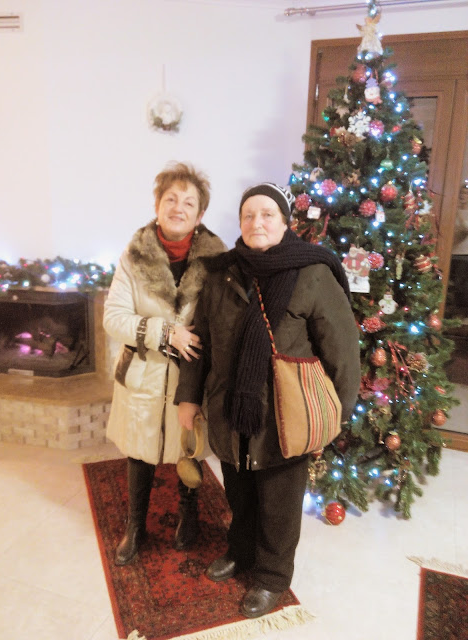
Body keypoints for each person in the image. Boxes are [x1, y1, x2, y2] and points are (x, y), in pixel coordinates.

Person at [176, 183, 360, 618]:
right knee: (239, 491)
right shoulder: (221, 273)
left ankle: (273, 577)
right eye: (248, 215)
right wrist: (189, 398)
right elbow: (201, 341)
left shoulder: (312, 272)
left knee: (279, 504)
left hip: (284, 416)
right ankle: (240, 551)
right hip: (230, 408)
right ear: (240, 222)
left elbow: (342, 351)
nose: (256, 222)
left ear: (284, 221)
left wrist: (334, 416)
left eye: (267, 214)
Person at [103, 161, 225, 565]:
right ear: (157, 205)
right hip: (144, 373)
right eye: (171, 199)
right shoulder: (133, 256)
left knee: (188, 447)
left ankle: (189, 512)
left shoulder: (217, 260)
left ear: (200, 214)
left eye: (189, 202)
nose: (178, 208)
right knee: (140, 451)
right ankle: (136, 525)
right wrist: (165, 332)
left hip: (192, 375)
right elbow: (113, 318)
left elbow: (222, 319)